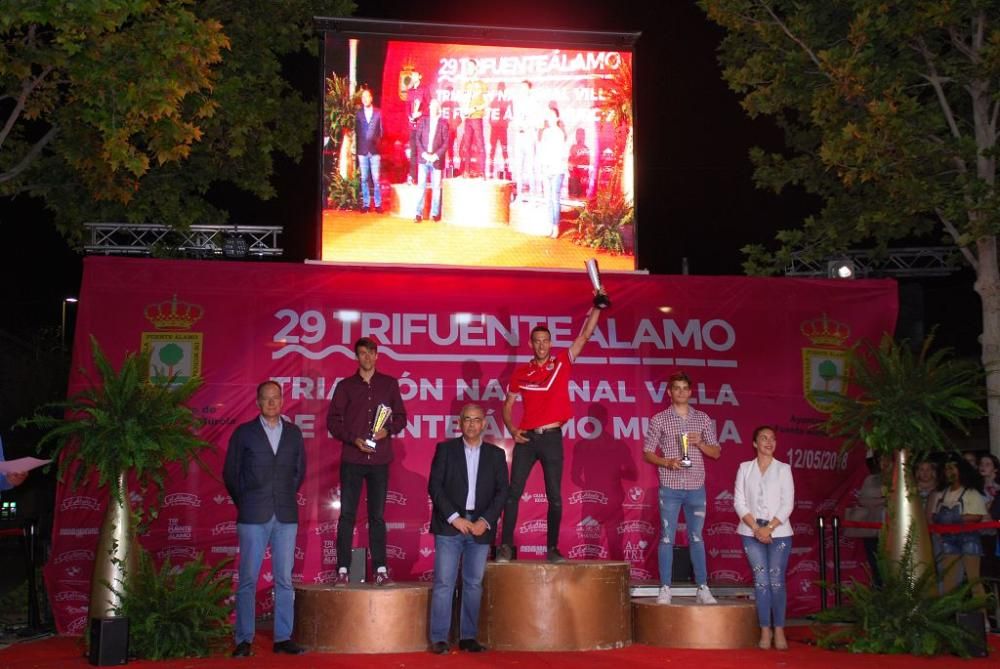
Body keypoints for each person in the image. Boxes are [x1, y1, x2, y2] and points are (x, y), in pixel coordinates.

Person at [498, 302, 606, 563]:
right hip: (527, 438)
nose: (542, 345)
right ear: (531, 344)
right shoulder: (521, 373)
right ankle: (505, 547)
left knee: (555, 497)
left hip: (552, 438)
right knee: (513, 493)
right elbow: (508, 405)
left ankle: (552, 549)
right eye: (537, 341)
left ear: (550, 342)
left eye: (545, 341)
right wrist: (513, 429)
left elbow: (585, 335)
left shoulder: (561, 363)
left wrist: (598, 307)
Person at [223, 381, 307, 657]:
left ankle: (283, 637)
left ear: (282, 400)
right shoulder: (244, 433)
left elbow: (299, 472)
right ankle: (244, 639)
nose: (272, 403)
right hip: (252, 515)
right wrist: (245, 501)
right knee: (248, 579)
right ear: (257, 402)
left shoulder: (294, 434)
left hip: (285, 514)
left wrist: (282, 495)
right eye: (266, 399)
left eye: (276, 398)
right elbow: (231, 474)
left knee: (284, 579)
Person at [427, 404, 509, 655]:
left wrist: (484, 521)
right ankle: (440, 638)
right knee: (444, 583)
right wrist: (454, 518)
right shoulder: (445, 450)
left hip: (480, 528)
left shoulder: (495, 455)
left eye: (477, 420)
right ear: (460, 423)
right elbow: (435, 487)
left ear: (484, 424)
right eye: (467, 420)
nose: (472, 424)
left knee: (473, 584)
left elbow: (502, 492)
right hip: (450, 526)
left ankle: (468, 637)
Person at [326, 337, 407, 586]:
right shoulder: (345, 386)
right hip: (353, 457)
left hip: (380, 459)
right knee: (347, 515)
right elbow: (333, 421)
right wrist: (353, 439)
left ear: (377, 355)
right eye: (362, 353)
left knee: (377, 517)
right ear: (356, 357)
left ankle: (381, 569)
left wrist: (388, 430)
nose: (367, 358)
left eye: (371, 353)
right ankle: (342, 569)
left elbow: (402, 417)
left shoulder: (389, 384)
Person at [642, 371, 721, 605]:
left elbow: (716, 452)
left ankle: (703, 587)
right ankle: (665, 587)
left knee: (697, 537)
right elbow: (647, 453)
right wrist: (667, 461)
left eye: (685, 388)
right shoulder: (659, 419)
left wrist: (701, 443)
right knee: (667, 537)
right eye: (676, 388)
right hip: (671, 486)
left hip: (696, 486)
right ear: (669, 392)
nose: (681, 392)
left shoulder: (704, 419)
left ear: (690, 391)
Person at [733, 426, 795, 650]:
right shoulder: (744, 468)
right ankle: (764, 629)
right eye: (764, 438)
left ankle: (779, 629)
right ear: (754, 443)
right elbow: (739, 502)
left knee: (776, 582)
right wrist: (756, 528)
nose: (769, 442)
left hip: (779, 533)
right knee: (761, 582)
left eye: (772, 439)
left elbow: (788, 503)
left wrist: (769, 528)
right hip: (750, 532)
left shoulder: (783, 469)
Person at [927, 455, 988, 607]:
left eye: (952, 468)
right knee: (949, 581)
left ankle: (983, 618)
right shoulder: (943, 493)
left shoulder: (971, 492)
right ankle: (949, 616)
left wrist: (955, 519)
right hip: (948, 540)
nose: (948, 472)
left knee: (974, 581)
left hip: (969, 539)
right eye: (946, 469)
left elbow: (977, 516)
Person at [413, 99, 450, 223]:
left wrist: (435, 156)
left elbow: (446, 143)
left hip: (436, 160)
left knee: (436, 187)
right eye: (431, 106)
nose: (433, 109)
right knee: (421, 187)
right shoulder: (423, 121)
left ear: (438, 109)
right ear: (429, 108)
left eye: (435, 107)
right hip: (423, 159)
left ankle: (435, 214)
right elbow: (417, 139)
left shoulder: (443, 123)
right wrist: (424, 153)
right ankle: (418, 214)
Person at [537, 105, 568, 238]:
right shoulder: (545, 132)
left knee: (555, 199)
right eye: (547, 115)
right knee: (548, 199)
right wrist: (543, 165)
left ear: (556, 117)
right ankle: (550, 226)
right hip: (546, 169)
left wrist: (551, 165)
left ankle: (556, 227)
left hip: (556, 169)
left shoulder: (559, 133)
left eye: (551, 115)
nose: (549, 118)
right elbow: (542, 151)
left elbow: (559, 153)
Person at [355, 88, 383, 214]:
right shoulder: (358, 114)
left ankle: (378, 204)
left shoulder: (378, 112)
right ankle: (366, 204)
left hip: (375, 151)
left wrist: (377, 143)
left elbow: (382, 131)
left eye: (368, 97)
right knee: (364, 178)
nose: (366, 99)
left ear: (371, 98)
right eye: (363, 97)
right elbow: (357, 132)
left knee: (376, 179)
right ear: (362, 100)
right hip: (362, 150)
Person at [510, 80, 538, 200]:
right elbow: (514, 120)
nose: (522, 90)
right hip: (519, 136)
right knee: (518, 167)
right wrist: (516, 126)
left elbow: (536, 120)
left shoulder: (533, 102)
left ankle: (533, 194)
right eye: (521, 88)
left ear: (529, 89)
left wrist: (527, 125)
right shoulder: (517, 103)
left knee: (530, 167)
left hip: (529, 136)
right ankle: (519, 194)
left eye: (524, 88)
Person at [459, 62, 487, 178]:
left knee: (480, 144)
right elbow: (464, 100)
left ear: (476, 68)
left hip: (477, 117)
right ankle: (466, 170)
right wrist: (464, 110)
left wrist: (475, 108)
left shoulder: (482, 84)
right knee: (467, 144)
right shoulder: (466, 84)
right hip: (468, 118)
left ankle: (481, 172)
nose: (468, 69)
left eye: (470, 67)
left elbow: (486, 102)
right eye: (467, 67)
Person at [406, 71, 431, 184]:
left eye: (415, 75)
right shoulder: (410, 91)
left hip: (422, 125)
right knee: (413, 151)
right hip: (412, 126)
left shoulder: (424, 89)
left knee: (423, 151)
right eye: (412, 75)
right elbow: (407, 107)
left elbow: (430, 106)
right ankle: (412, 176)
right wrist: (410, 117)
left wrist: (420, 113)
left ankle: (424, 177)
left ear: (420, 76)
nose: (413, 77)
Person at [487, 82, 511, 180]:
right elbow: (489, 116)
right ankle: (491, 171)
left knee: (504, 150)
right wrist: (493, 123)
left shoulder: (507, 101)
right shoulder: (493, 101)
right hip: (495, 128)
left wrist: (505, 123)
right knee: (492, 149)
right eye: (499, 89)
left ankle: (507, 169)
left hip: (503, 128)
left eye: (502, 89)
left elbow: (509, 115)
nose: (501, 91)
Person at [567, 127, 591, 198]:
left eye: (582, 134)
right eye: (578, 134)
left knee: (583, 197)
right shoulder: (573, 147)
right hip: (574, 178)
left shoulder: (586, 148)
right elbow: (570, 162)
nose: (580, 136)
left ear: (584, 135)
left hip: (583, 178)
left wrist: (585, 175)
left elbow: (587, 163)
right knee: (574, 197)